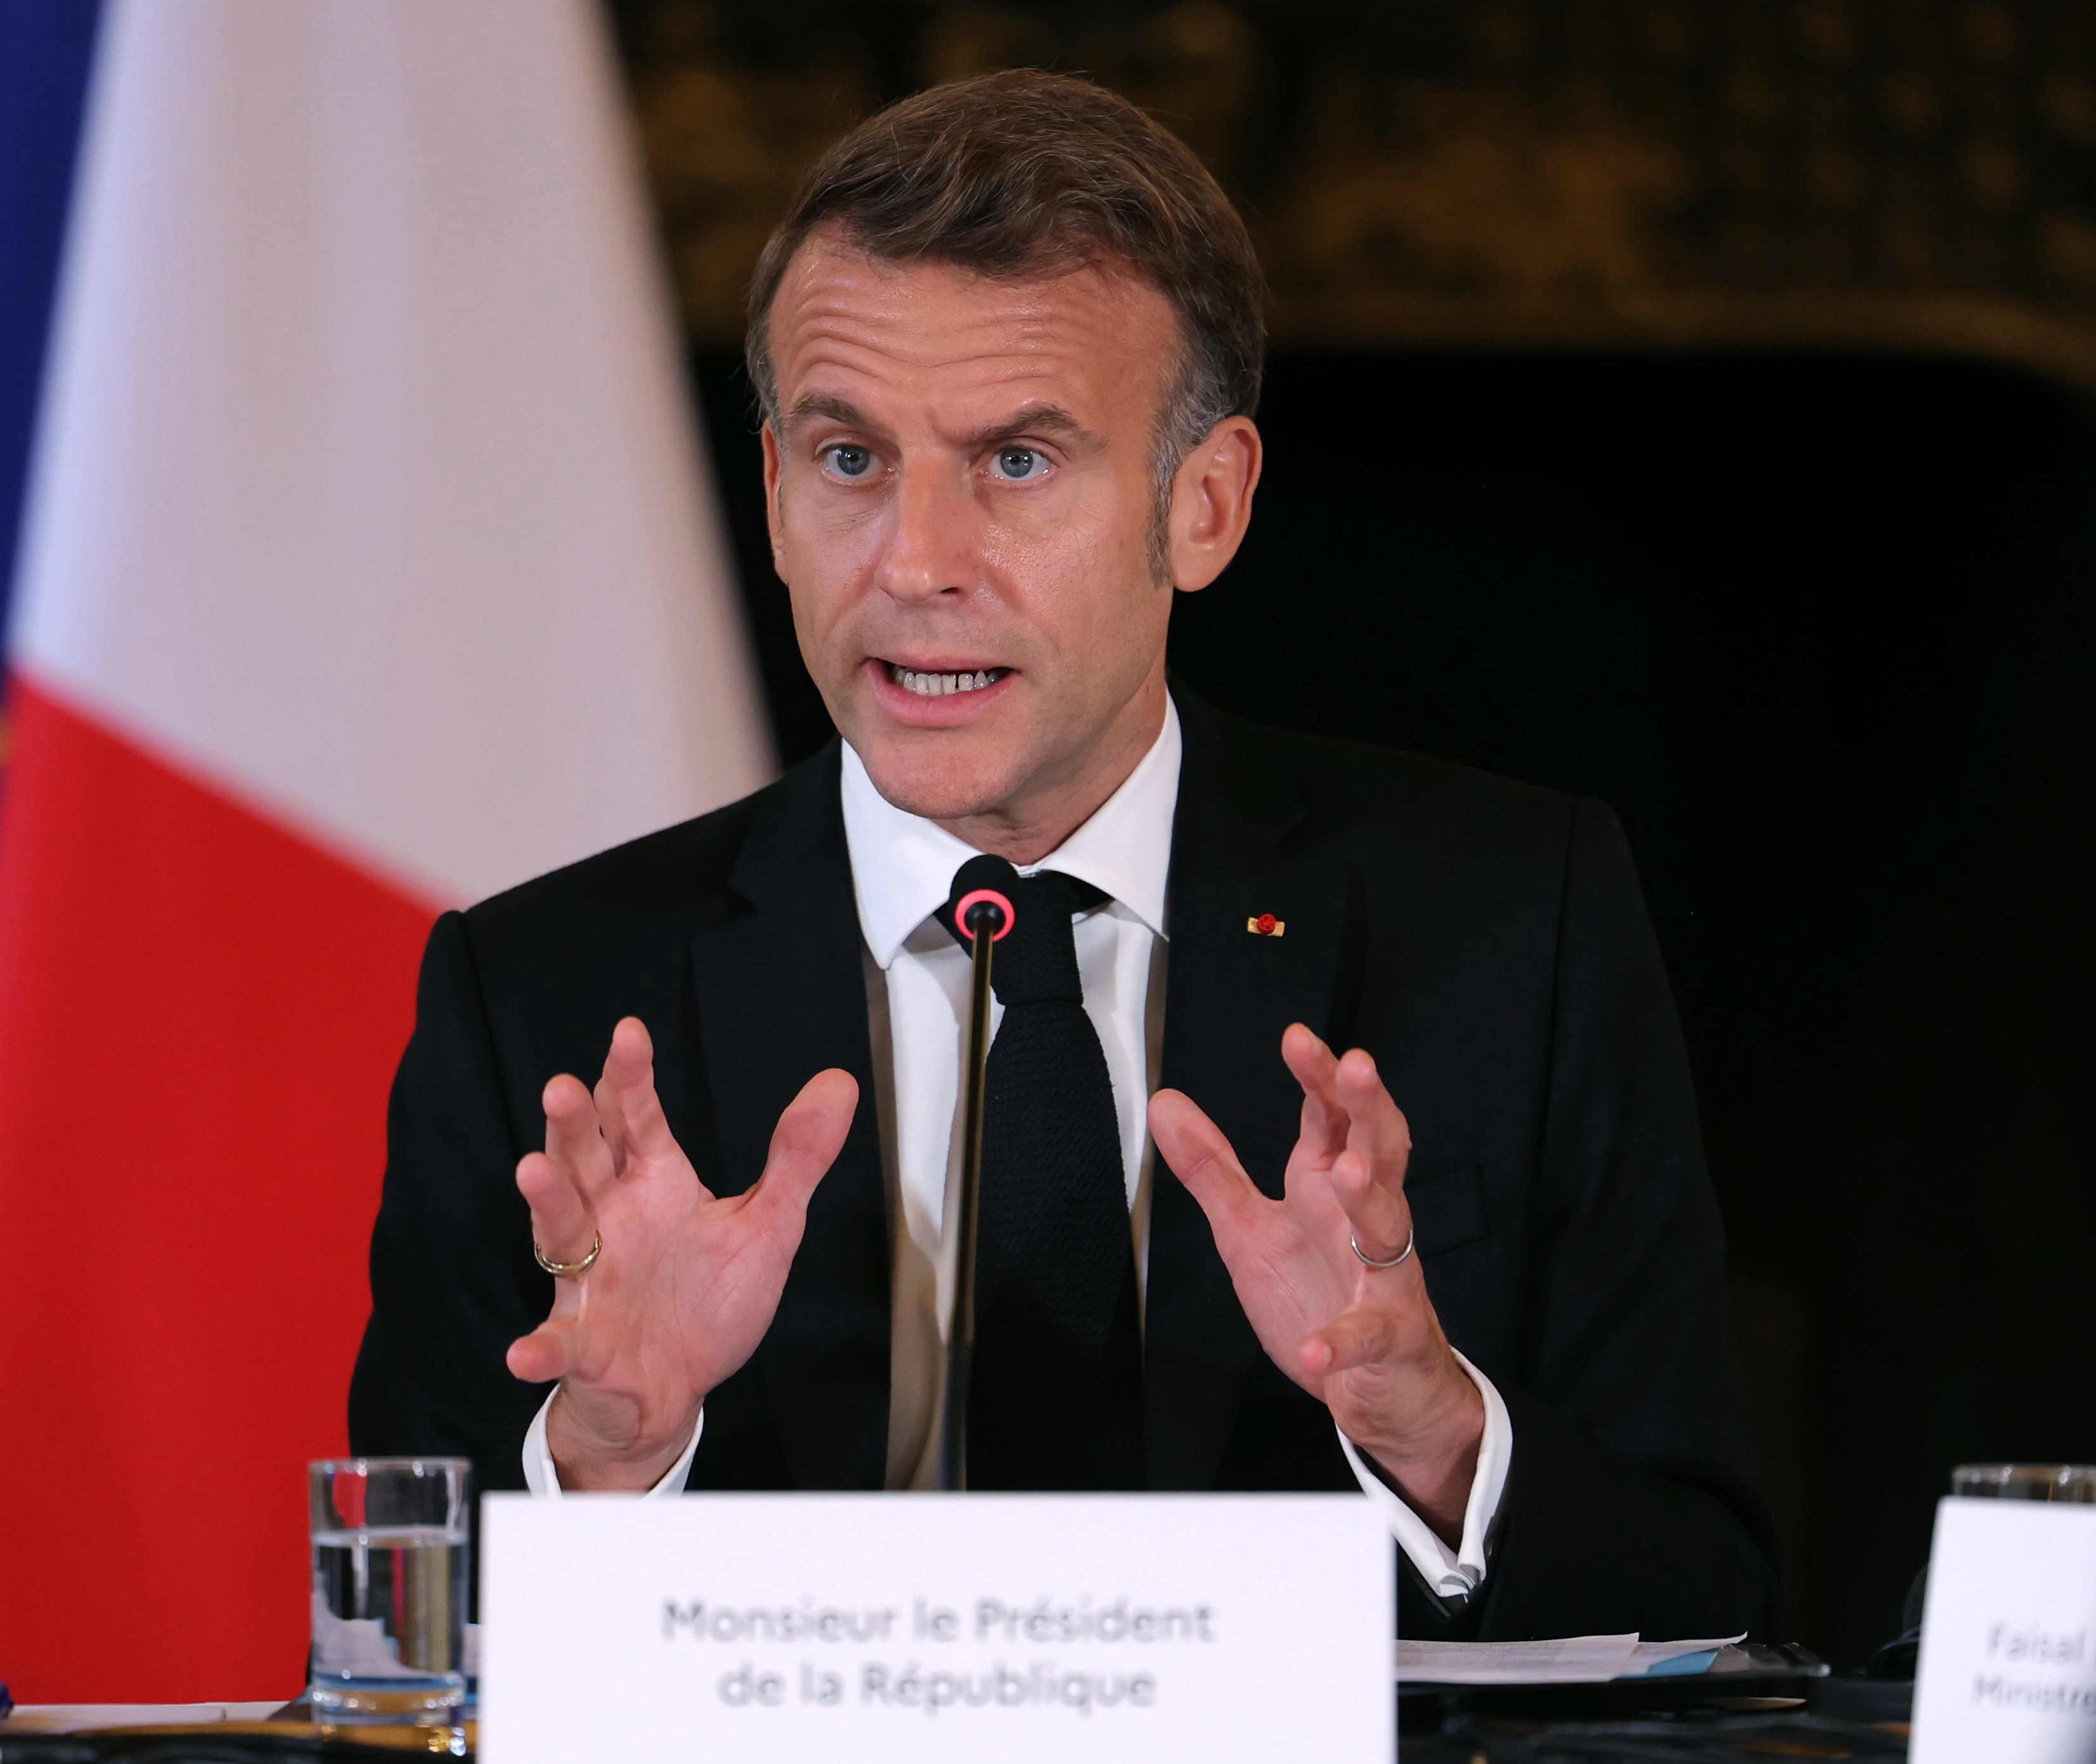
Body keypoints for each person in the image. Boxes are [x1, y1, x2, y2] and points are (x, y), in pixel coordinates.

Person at [349, 69, 1775, 1641]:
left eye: (1017, 462)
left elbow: (1710, 1598)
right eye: (848, 460)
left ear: (1206, 507)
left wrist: (1431, 1426)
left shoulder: (1517, 927)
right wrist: (609, 1462)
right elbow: (391, 1660)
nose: (914, 563)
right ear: (770, 494)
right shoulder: (541, 996)